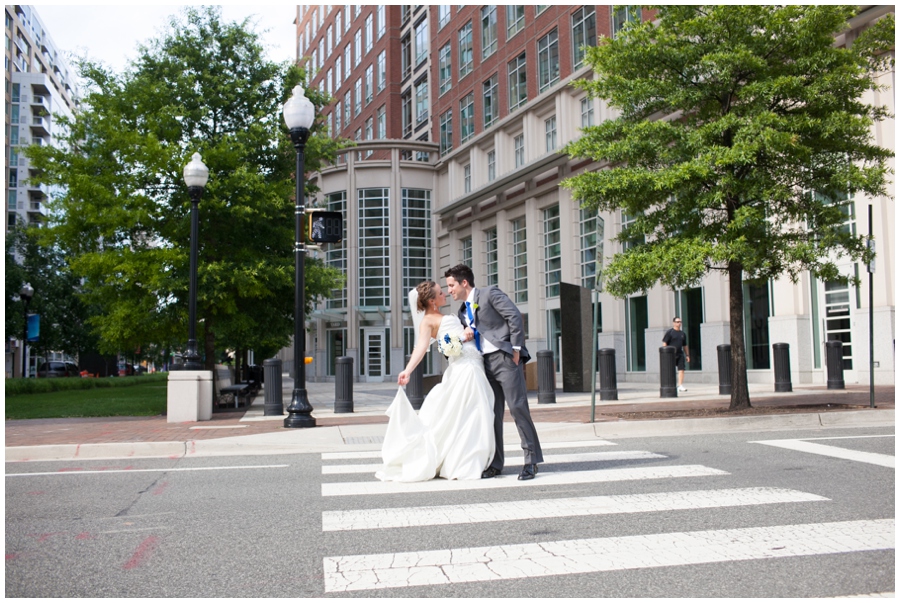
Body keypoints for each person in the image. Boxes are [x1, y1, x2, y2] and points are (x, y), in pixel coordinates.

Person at [376, 280, 496, 482]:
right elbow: (421, 348)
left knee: (471, 414)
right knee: (473, 412)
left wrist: (467, 335)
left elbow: (449, 342)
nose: (445, 294)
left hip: (473, 364)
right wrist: (407, 370)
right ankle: (465, 461)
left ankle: (467, 458)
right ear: (432, 301)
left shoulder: (446, 316)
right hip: (464, 368)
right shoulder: (428, 322)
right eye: (441, 293)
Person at [444, 264, 544, 481]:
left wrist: (515, 349)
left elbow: (514, 316)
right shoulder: (462, 312)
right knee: (492, 414)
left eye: (451, 285)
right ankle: (496, 463)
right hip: (484, 364)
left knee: (518, 408)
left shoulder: (489, 294)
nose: (449, 290)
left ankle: (531, 461)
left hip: (505, 359)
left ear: (464, 283)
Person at [662, 316, 690, 392]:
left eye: (680, 322)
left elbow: (685, 345)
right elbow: (665, 342)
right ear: (673, 323)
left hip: (680, 354)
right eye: (677, 322)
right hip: (671, 355)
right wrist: (665, 354)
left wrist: (687, 355)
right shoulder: (670, 332)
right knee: (670, 370)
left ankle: (680, 385)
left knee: (682, 369)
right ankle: (671, 385)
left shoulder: (682, 334)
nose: (679, 323)